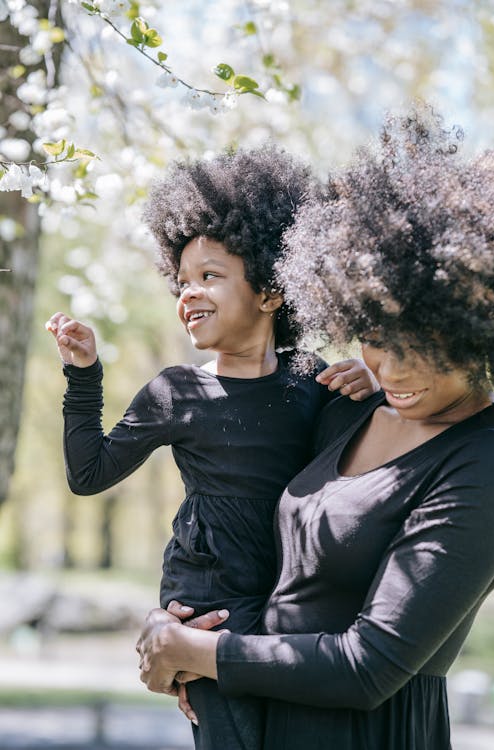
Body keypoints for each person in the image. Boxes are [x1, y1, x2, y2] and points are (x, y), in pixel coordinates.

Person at [136, 107, 494, 750]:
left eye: (429, 341)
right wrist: (186, 608)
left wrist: (191, 649)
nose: (395, 367)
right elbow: (250, 524)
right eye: (378, 337)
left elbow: (371, 667)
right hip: (261, 716)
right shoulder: (346, 408)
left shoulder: (484, 462)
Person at [46, 145, 378, 750]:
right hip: (206, 606)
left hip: (291, 605)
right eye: (182, 281)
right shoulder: (176, 392)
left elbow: (369, 471)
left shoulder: (312, 381)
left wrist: (373, 382)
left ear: (273, 290)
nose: (188, 293)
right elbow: (87, 473)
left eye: (210, 276)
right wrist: (85, 374)